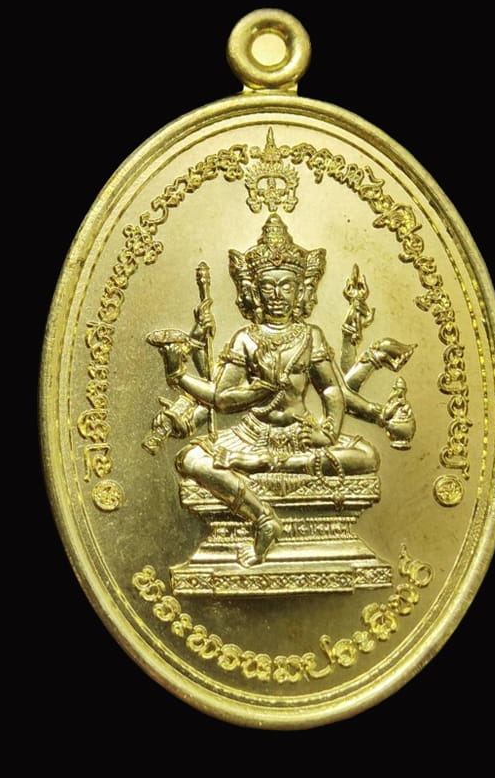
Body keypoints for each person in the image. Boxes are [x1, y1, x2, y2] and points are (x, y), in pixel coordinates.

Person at [158, 213, 379, 565]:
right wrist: (179, 375)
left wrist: (328, 431)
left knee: (367, 455)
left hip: (302, 435)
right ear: (254, 292)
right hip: (251, 435)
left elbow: (331, 392)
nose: (277, 295)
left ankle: (264, 464)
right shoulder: (245, 339)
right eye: (268, 287)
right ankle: (263, 518)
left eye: (286, 286)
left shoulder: (310, 336)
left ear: (302, 291)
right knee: (190, 459)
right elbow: (221, 399)